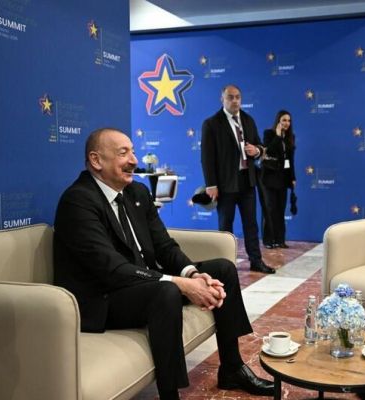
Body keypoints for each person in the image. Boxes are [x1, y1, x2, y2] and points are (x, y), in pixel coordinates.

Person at [54, 128, 274, 400]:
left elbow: (164, 246)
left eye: (133, 151)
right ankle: (170, 394)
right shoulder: (78, 201)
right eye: (123, 153)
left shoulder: (136, 192)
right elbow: (112, 270)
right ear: (96, 160)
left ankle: (232, 368)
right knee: (166, 290)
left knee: (223, 269)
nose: (134, 160)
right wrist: (180, 284)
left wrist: (193, 274)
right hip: (104, 298)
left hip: (140, 284)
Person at [201, 84, 274, 274]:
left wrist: (256, 151)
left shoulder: (248, 120)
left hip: (247, 181)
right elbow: (207, 157)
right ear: (222, 99)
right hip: (225, 184)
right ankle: (225, 264)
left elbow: (259, 146)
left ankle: (256, 261)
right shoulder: (211, 123)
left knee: (251, 224)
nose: (235, 101)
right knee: (226, 226)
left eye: (238, 97)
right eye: (230, 97)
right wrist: (211, 184)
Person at [260, 110, 296, 249]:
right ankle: (268, 240)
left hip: (283, 178)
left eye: (289, 120)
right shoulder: (269, 134)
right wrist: (277, 135)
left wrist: (292, 178)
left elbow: (290, 160)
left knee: (280, 209)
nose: (286, 123)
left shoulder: (291, 137)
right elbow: (268, 150)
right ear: (278, 121)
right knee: (269, 209)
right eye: (284, 120)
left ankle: (280, 240)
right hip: (269, 177)